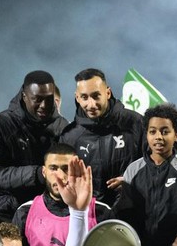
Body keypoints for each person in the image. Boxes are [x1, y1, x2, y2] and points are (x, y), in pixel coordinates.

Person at [111, 103, 177, 246]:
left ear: (176, 135)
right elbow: (124, 214)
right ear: (147, 135)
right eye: (153, 132)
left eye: (165, 132)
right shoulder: (133, 170)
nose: (158, 137)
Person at [0, 70, 68, 221]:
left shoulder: (63, 127)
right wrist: (36, 174)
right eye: (37, 99)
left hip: (48, 215)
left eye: (49, 99)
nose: (44, 105)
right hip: (6, 214)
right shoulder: (0, 124)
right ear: (24, 96)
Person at [13, 143, 109, 246]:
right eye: (53, 168)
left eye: (66, 169)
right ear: (43, 172)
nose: (60, 176)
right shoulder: (25, 212)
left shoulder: (101, 212)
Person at [59, 68, 144, 206]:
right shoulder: (69, 136)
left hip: (132, 211)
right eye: (85, 97)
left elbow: (155, 164)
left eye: (96, 96)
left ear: (108, 93)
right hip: (91, 215)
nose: (91, 104)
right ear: (77, 97)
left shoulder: (135, 123)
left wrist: (132, 181)